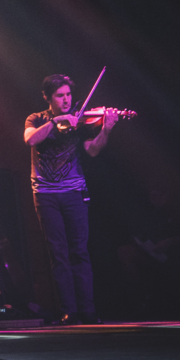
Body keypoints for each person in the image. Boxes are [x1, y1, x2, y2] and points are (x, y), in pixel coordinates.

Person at [23, 73, 119, 324]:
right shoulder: (36, 119)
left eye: (68, 95)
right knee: (58, 253)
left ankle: (88, 310)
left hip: (74, 192)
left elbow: (93, 150)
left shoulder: (80, 120)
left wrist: (106, 130)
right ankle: (69, 310)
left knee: (80, 251)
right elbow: (30, 139)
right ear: (48, 97)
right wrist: (56, 122)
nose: (66, 101)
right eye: (60, 96)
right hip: (45, 195)